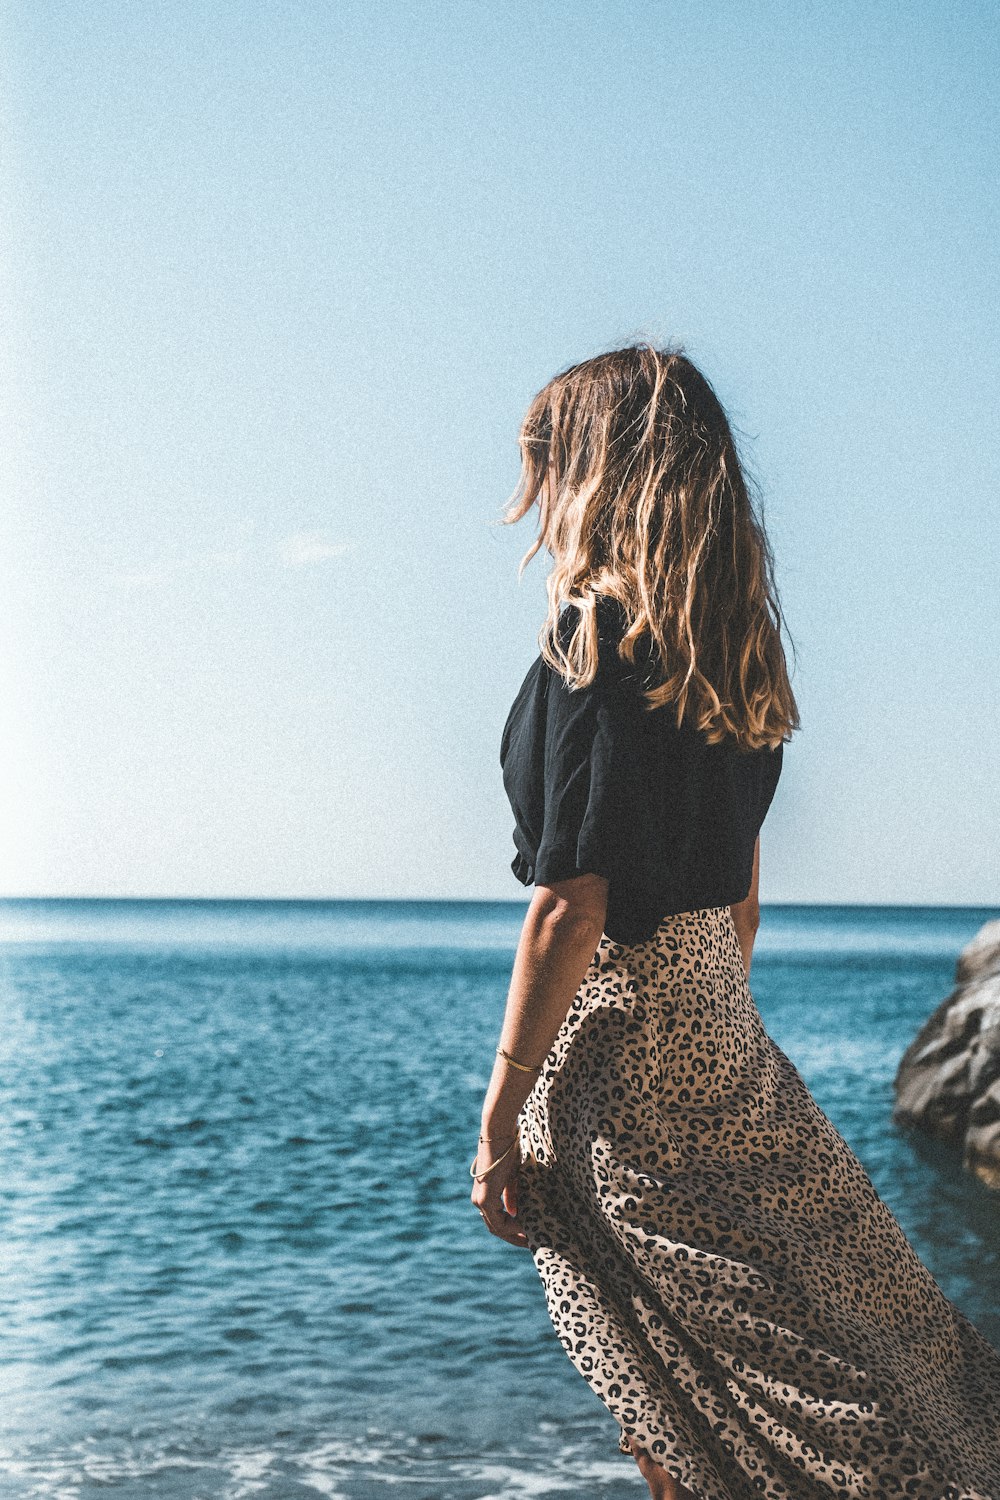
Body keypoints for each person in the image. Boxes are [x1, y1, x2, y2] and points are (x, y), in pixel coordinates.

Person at [471, 343, 1000, 1500]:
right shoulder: (730, 649)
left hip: (622, 1065)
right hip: (723, 1041)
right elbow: (742, 892)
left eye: (550, 462)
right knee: (850, 1339)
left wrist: (501, 1112)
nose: (540, 490)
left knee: (670, 1383)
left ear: (598, 472)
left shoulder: (591, 637)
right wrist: (714, 1025)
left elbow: (569, 902)